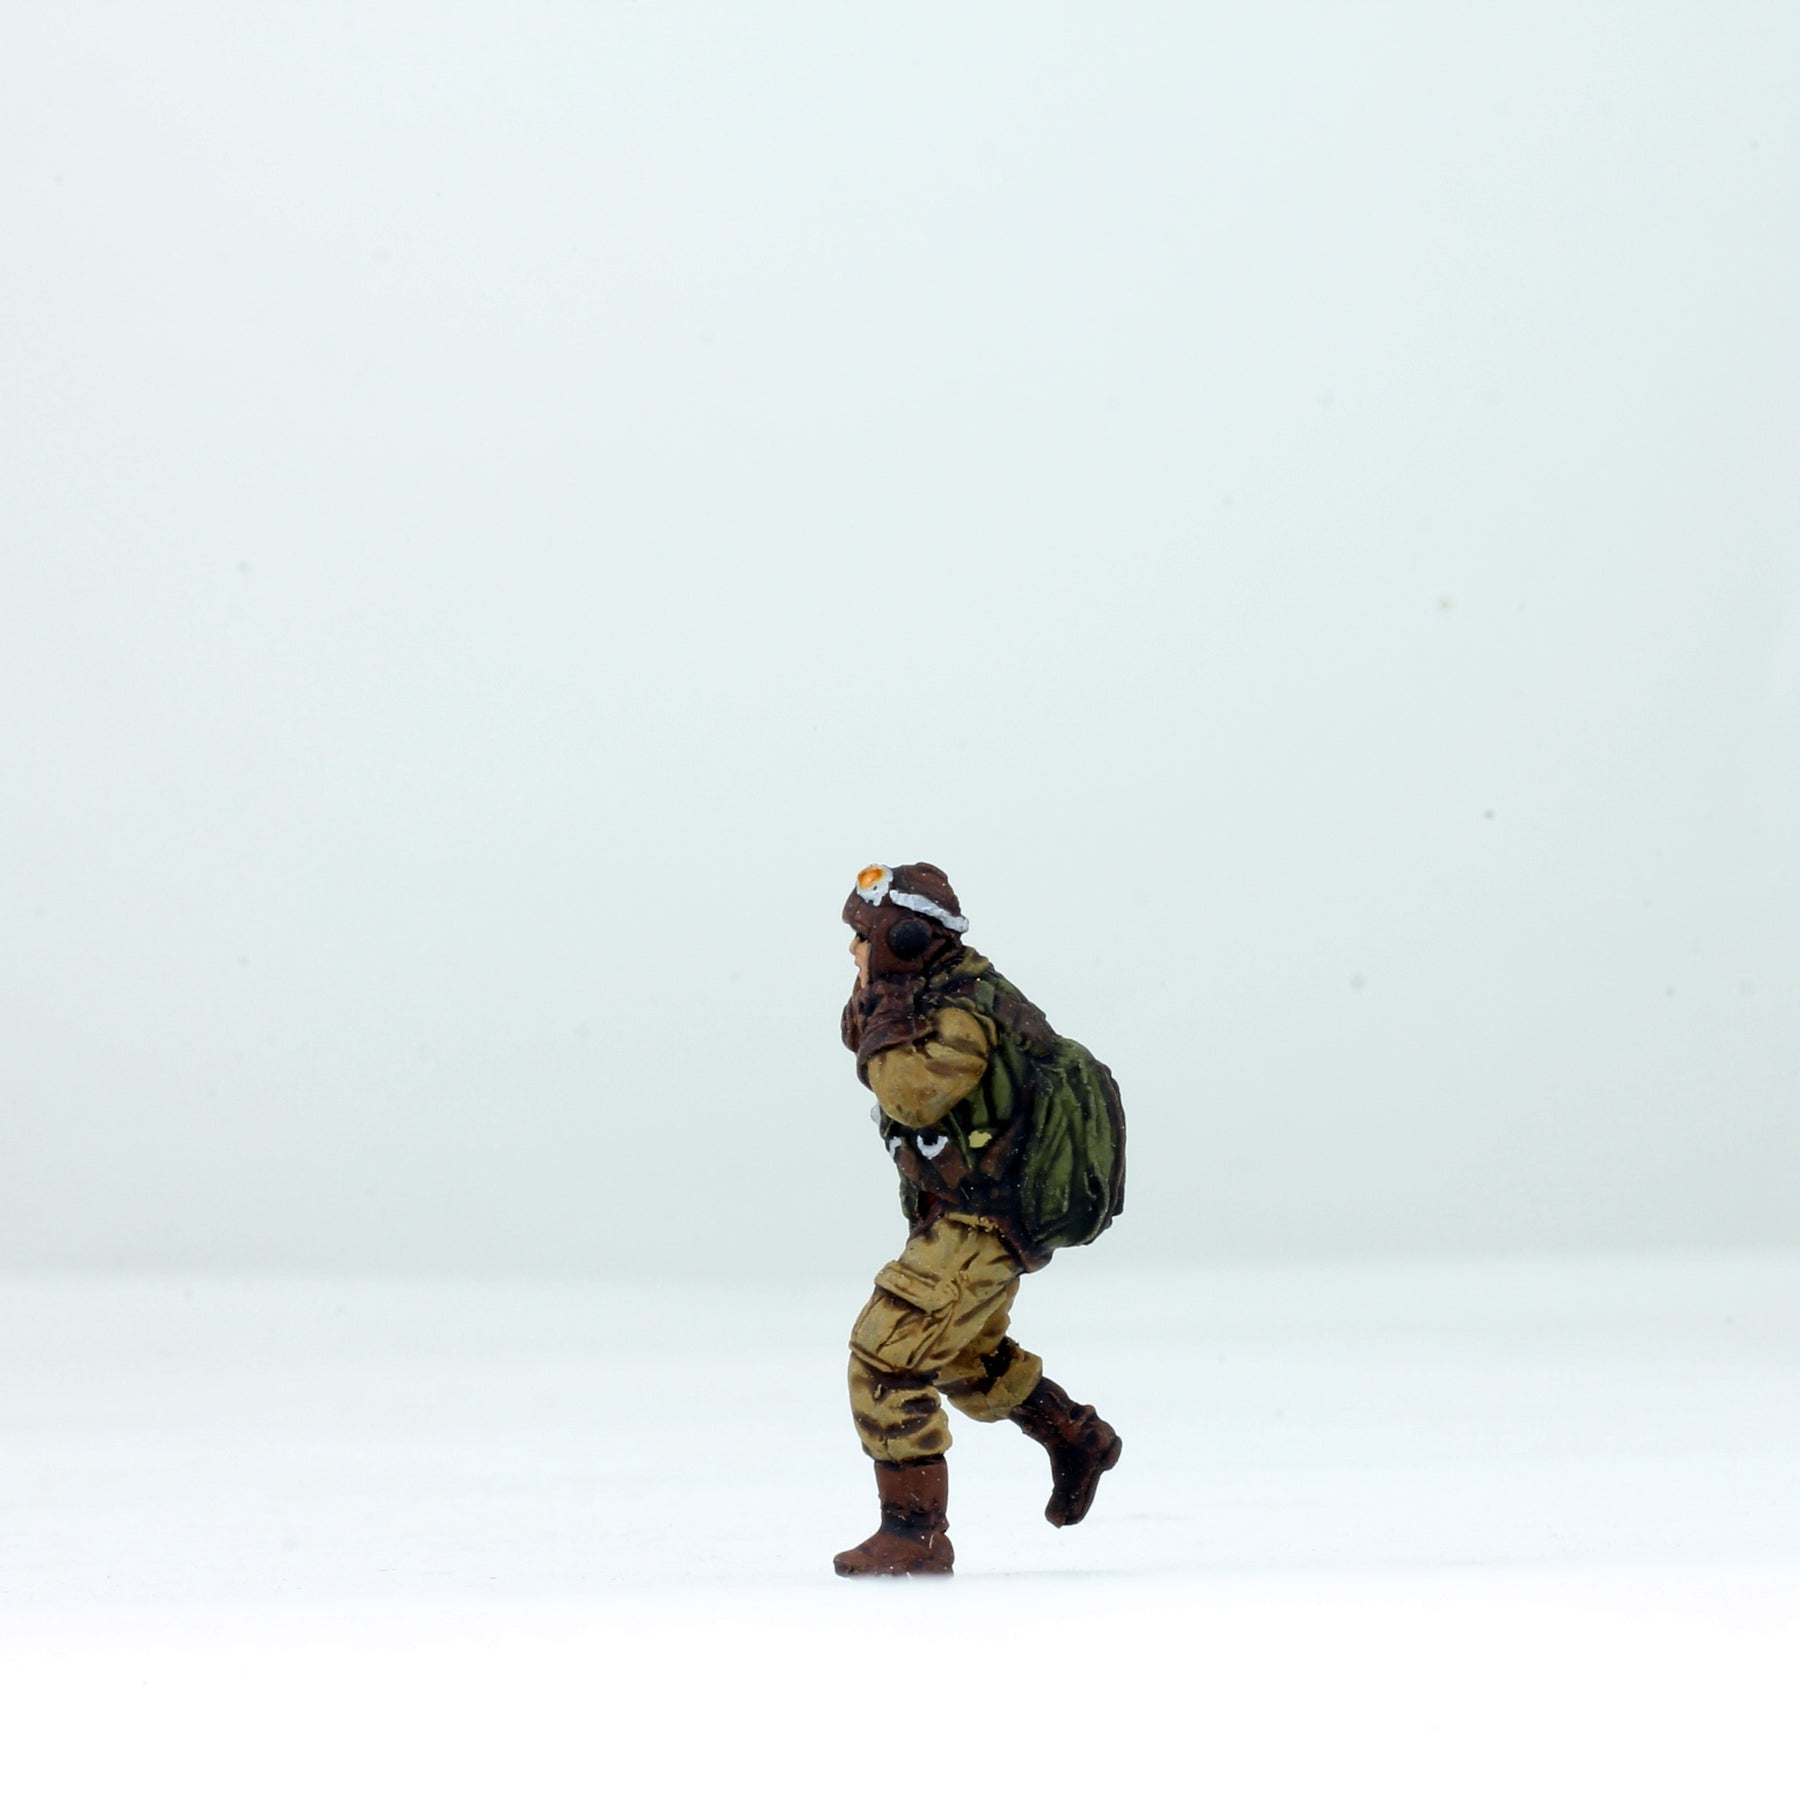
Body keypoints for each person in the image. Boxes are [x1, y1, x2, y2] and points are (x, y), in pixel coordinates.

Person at [835, 861, 1126, 1577]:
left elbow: (910, 1096)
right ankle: (1074, 1437)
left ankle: (914, 1534)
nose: (853, 951)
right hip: (959, 1212)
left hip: (983, 1221)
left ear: (904, 939)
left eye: (864, 937)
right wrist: (880, 997)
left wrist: (883, 1010)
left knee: (887, 1357)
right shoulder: (930, 990)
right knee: (965, 1360)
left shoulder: (960, 1014)